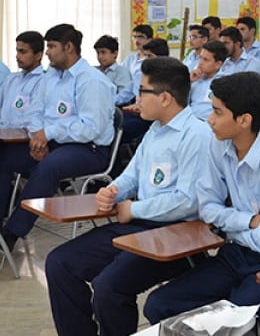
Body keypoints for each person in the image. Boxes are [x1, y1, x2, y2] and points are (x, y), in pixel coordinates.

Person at [44, 57, 212, 336]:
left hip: (176, 234)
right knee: (60, 263)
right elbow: (132, 176)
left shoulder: (196, 135)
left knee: (108, 287)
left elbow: (187, 201)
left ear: (165, 97)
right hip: (139, 224)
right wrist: (112, 191)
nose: (137, 98)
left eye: (142, 91)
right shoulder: (156, 130)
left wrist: (133, 210)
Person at [143, 72, 260, 322]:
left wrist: (229, 228)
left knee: (229, 320)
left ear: (244, 119)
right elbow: (207, 208)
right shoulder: (220, 144)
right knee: (159, 304)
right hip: (238, 252)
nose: (210, 120)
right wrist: (247, 221)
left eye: (218, 112)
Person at [0, 24, 115, 251]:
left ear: (69, 47)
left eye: (52, 47)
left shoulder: (91, 80)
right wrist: (37, 138)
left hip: (90, 149)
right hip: (54, 142)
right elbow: (35, 111)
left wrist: (48, 134)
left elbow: (90, 128)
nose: (48, 53)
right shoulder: (51, 76)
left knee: (49, 167)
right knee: (3, 155)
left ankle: (11, 233)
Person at [0, 31, 45, 128]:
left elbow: (35, 118)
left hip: (25, 139)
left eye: (23, 52)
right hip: (1, 136)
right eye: (17, 51)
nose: (17, 56)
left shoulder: (44, 81)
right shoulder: (11, 79)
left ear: (38, 55)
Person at [188, 40, 226, 121]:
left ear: (218, 64)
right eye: (200, 58)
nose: (200, 63)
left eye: (206, 60)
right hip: (189, 121)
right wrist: (189, 82)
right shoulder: (195, 78)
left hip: (209, 124)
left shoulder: (224, 82)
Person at [94, 34, 133, 105]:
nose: (100, 56)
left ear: (115, 53)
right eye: (98, 53)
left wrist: (104, 102)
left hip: (112, 110)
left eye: (103, 52)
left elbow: (124, 97)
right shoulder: (93, 70)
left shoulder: (122, 72)